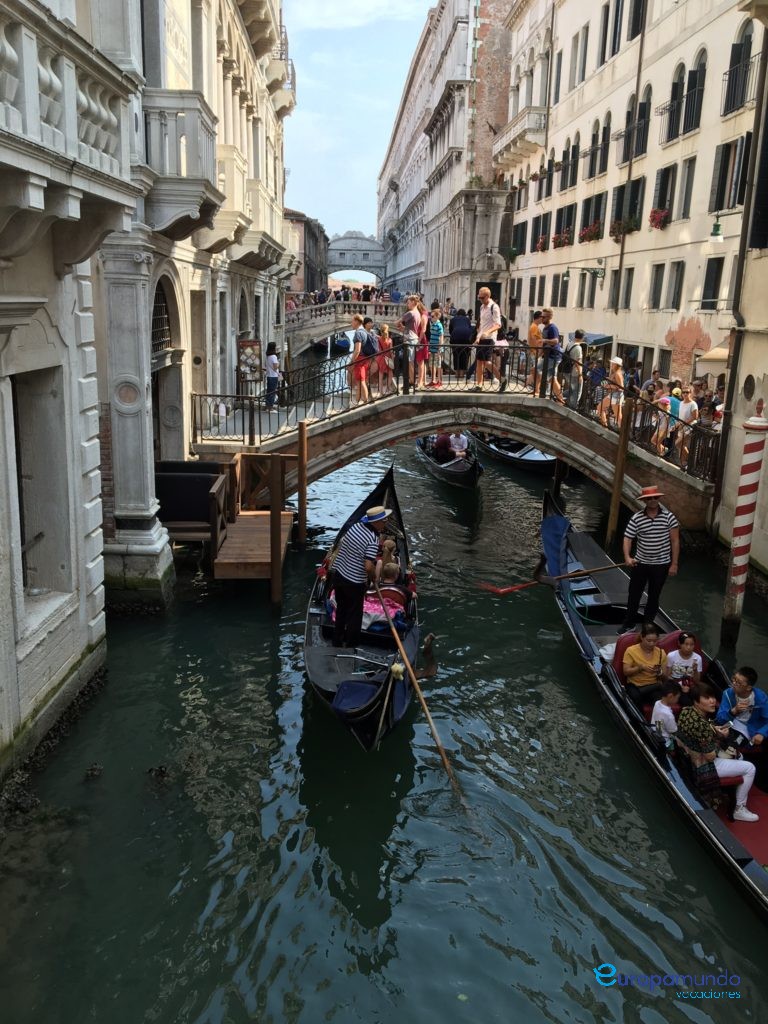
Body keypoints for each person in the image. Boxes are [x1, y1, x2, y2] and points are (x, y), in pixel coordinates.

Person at [677, 684, 759, 822]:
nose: (712, 701)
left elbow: (703, 728)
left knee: (740, 757)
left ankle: (731, 793)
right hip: (702, 765)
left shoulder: (686, 711)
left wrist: (714, 730)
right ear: (696, 701)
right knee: (750, 768)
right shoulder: (702, 727)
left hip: (688, 756)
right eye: (707, 698)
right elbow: (710, 756)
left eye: (713, 697)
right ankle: (739, 808)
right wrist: (719, 737)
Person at [618, 485, 680, 634]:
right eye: (649, 498)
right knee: (634, 594)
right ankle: (629, 623)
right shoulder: (637, 518)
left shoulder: (669, 517)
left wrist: (674, 564)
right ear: (645, 500)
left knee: (654, 595)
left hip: (661, 565)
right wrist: (627, 557)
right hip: (640, 563)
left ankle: (647, 624)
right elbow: (628, 538)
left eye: (655, 497)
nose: (652, 500)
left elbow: (675, 541)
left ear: (658, 498)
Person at [331, 505, 392, 648]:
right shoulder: (373, 538)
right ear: (376, 522)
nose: (386, 522)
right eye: (384, 520)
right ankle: (351, 646)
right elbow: (368, 566)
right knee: (354, 616)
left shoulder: (356, 526)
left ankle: (336, 642)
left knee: (341, 610)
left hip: (339, 575)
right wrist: (373, 577)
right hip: (354, 582)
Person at [715, 666, 768, 746]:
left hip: (748, 729)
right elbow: (719, 718)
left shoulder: (760, 699)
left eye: (738, 683)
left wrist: (762, 733)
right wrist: (733, 711)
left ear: (748, 687)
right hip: (730, 723)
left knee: (732, 744)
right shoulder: (728, 694)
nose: (734, 683)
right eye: (734, 679)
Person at [622, 622, 668, 709]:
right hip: (635, 685)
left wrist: (660, 672)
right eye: (649, 641)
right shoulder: (631, 650)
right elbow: (626, 672)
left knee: (660, 704)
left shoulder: (661, 653)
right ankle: (638, 721)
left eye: (655, 641)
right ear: (642, 637)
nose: (652, 644)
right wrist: (640, 668)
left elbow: (665, 677)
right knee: (636, 698)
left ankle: (658, 722)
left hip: (653, 686)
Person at [472, 287, 501, 391]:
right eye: (478, 297)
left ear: (488, 296)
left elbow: (498, 325)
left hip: (490, 338)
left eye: (482, 298)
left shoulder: (494, 307)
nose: (480, 299)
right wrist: (478, 337)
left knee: (487, 362)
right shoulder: (481, 307)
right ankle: (479, 385)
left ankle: (501, 379)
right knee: (479, 362)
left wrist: (488, 332)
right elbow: (482, 325)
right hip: (482, 338)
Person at [664, 631, 702, 707]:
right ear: (680, 644)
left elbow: (697, 681)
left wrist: (695, 670)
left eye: (692, 645)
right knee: (685, 701)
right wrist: (680, 687)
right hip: (675, 684)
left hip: (690, 684)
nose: (689, 647)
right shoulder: (671, 656)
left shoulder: (697, 658)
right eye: (686, 644)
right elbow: (667, 677)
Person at [539, 309, 564, 402]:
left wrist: (544, 341)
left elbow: (555, 341)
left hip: (553, 357)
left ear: (549, 317)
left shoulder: (552, 327)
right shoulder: (545, 328)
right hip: (549, 356)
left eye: (544, 317)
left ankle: (538, 391)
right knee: (552, 379)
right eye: (541, 316)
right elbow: (545, 345)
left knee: (535, 369)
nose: (542, 318)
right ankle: (561, 400)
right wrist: (540, 353)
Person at [396, 295, 420, 387]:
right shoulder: (418, 313)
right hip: (414, 337)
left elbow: (397, 322)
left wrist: (399, 324)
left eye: (408, 302)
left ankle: (412, 381)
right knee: (412, 361)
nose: (407, 304)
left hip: (409, 339)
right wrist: (404, 328)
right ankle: (411, 380)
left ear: (413, 302)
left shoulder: (410, 313)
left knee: (410, 362)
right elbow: (411, 328)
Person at [676, 385, 699, 466]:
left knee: (677, 443)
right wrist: (678, 424)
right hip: (681, 426)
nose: (685, 394)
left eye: (687, 392)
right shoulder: (681, 403)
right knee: (682, 446)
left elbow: (695, 417)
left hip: (689, 427)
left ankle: (690, 460)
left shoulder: (693, 404)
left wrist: (684, 423)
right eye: (683, 392)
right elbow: (680, 416)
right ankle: (683, 464)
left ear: (690, 393)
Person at [599, 356, 624, 427]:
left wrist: (609, 386)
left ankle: (623, 432)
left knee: (618, 416)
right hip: (613, 394)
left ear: (617, 365)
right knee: (600, 407)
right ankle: (605, 425)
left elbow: (621, 387)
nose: (611, 364)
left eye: (613, 363)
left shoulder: (617, 374)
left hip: (617, 395)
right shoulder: (615, 372)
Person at [350, 313, 370, 404]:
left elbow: (357, 350)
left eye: (352, 321)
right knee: (359, 381)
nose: (351, 323)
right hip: (365, 359)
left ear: (357, 321)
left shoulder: (358, 333)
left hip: (360, 360)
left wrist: (351, 362)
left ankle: (365, 401)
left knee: (361, 381)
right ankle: (357, 401)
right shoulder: (365, 331)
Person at [564, 330, 584, 409]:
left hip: (567, 371)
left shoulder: (569, 344)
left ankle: (558, 394)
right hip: (574, 372)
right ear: (582, 338)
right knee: (577, 391)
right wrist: (580, 375)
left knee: (572, 390)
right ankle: (573, 407)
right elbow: (577, 362)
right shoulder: (578, 348)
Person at [427, 307, 444, 387]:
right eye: (431, 316)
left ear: (437, 316)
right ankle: (433, 380)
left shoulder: (439, 325)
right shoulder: (432, 324)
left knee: (438, 365)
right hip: (432, 347)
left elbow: (441, 336)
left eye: (432, 316)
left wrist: (440, 347)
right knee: (431, 364)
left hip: (437, 348)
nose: (431, 317)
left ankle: (439, 381)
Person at [376, 324, 395, 396]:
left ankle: (381, 392)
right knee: (390, 374)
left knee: (380, 375)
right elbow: (391, 351)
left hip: (380, 358)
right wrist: (392, 359)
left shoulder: (379, 339)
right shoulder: (390, 340)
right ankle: (388, 387)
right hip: (388, 358)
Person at [264, 341, 282, 411]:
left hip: (269, 376)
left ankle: (267, 406)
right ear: (273, 348)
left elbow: (267, 365)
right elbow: (275, 367)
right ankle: (270, 408)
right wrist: (278, 363)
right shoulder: (274, 356)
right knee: (272, 392)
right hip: (273, 376)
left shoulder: (268, 356)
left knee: (269, 392)